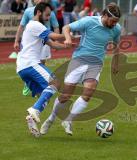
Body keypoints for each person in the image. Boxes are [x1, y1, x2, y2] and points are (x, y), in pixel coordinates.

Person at [40, 2, 121, 136]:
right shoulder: (89, 22)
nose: (114, 25)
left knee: (88, 93)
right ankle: (50, 119)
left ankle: (68, 120)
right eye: (112, 21)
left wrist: (116, 62)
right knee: (66, 96)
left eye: (116, 22)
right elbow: (66, 27)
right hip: (79, 61)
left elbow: (117, 45)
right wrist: (66, 38)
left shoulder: (116, 28)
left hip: (96, 64)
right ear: (105, 15)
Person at [16, 2, 69, 137]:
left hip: (22, 67)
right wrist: (67, 34)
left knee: (44, 96)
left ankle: (31, 120)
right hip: (30, 64)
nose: (48, 18)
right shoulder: (35, 25)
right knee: (55, 83)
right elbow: (55, 36)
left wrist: (66, 45)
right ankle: (35, 110)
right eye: (46, 15)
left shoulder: (37, 27)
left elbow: (52, 43)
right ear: (38, 12)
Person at [14, 0, 60, 96]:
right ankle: (32, 83)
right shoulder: (28, 11)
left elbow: (55, 26)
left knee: (41, 63)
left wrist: (57, 42)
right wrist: (16, 40)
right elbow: (21, 26)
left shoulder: (49, 11)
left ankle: (38, 86)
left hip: (45, 40)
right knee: (36, 65)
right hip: (33, 41)